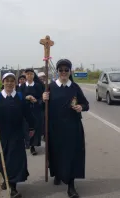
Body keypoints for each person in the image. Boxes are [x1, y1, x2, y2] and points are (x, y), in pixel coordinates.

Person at [42, 59, 89, 198]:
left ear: (70, 72)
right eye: (61, 70)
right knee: (56, 154)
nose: (63, 72)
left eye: (66, 70)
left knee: (72, 156)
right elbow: (41, 107)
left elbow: (86, 104)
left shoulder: (74, 87)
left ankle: (71, 186)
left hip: (72, 128)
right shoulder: (50, 87)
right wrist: (42, 98)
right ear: (57, 72)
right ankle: (57, 173)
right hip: (55, 128)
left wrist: (81, 107)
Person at [0, 72, 35, 198]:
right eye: (7, 81)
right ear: (3, 82)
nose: (9, 83)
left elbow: (27, 114)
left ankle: (12, 187)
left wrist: (32, 127)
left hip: (16, 134)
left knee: (15, 161)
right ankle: (6, 180)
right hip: (1, 135)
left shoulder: (20, 97)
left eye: (12, 81)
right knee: (3, 160)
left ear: (15, 83)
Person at [19, 68, 44, 155]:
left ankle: (33, 145)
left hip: (36, 110)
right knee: (27, 128)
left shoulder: (38, 85)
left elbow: (42, 97)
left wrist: (37, 101)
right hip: (26, 111)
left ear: (34, 75)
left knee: (35, 127)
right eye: (27, 74)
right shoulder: (22, 87)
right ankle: (28, 144)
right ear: (25, 76)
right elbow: (19, 98)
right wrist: (26, 97)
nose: (29, 76)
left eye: (31, 74)